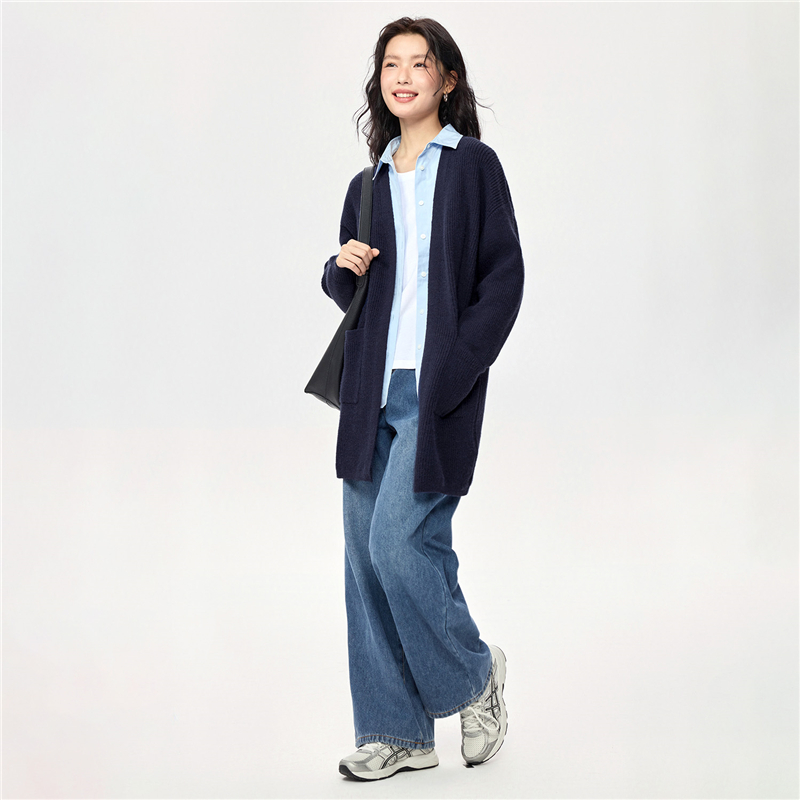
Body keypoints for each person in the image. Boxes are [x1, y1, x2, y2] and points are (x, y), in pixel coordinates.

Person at [319, 15, 525, 782]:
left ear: (447, 79)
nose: (403, 76)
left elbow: (503, 277)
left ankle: (475, 674)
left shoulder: (474, 168)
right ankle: (397, 732)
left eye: (419, 63)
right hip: (369, 391)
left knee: (399, 545)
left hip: (436, 389)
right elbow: (358, 294)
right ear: (379, 82)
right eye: (391, 65)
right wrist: (340, 268)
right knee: (364, 561)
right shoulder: (366, 185)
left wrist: (458, 369)